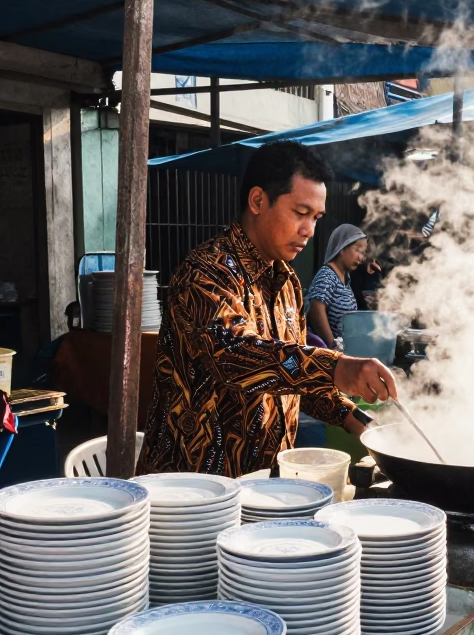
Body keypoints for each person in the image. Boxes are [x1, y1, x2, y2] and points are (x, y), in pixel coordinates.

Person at [136, 141, 397, 478]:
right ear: (258, 201)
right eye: (300, 213)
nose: (309, 230)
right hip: (192, 490)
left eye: (316, 218)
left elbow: (293, 376)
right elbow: (234, 355)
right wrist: (337, 367)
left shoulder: (287, 281)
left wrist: (362, 422)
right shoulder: (207, 272)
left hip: (263, 486)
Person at [307, 224, 380, 347]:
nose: (360, 258)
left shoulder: (346, 278)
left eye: (362, 253)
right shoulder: (327, 275)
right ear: (341, 248)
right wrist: (333, 345)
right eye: (357, 250)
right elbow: (316, 310)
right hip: (329, 356)